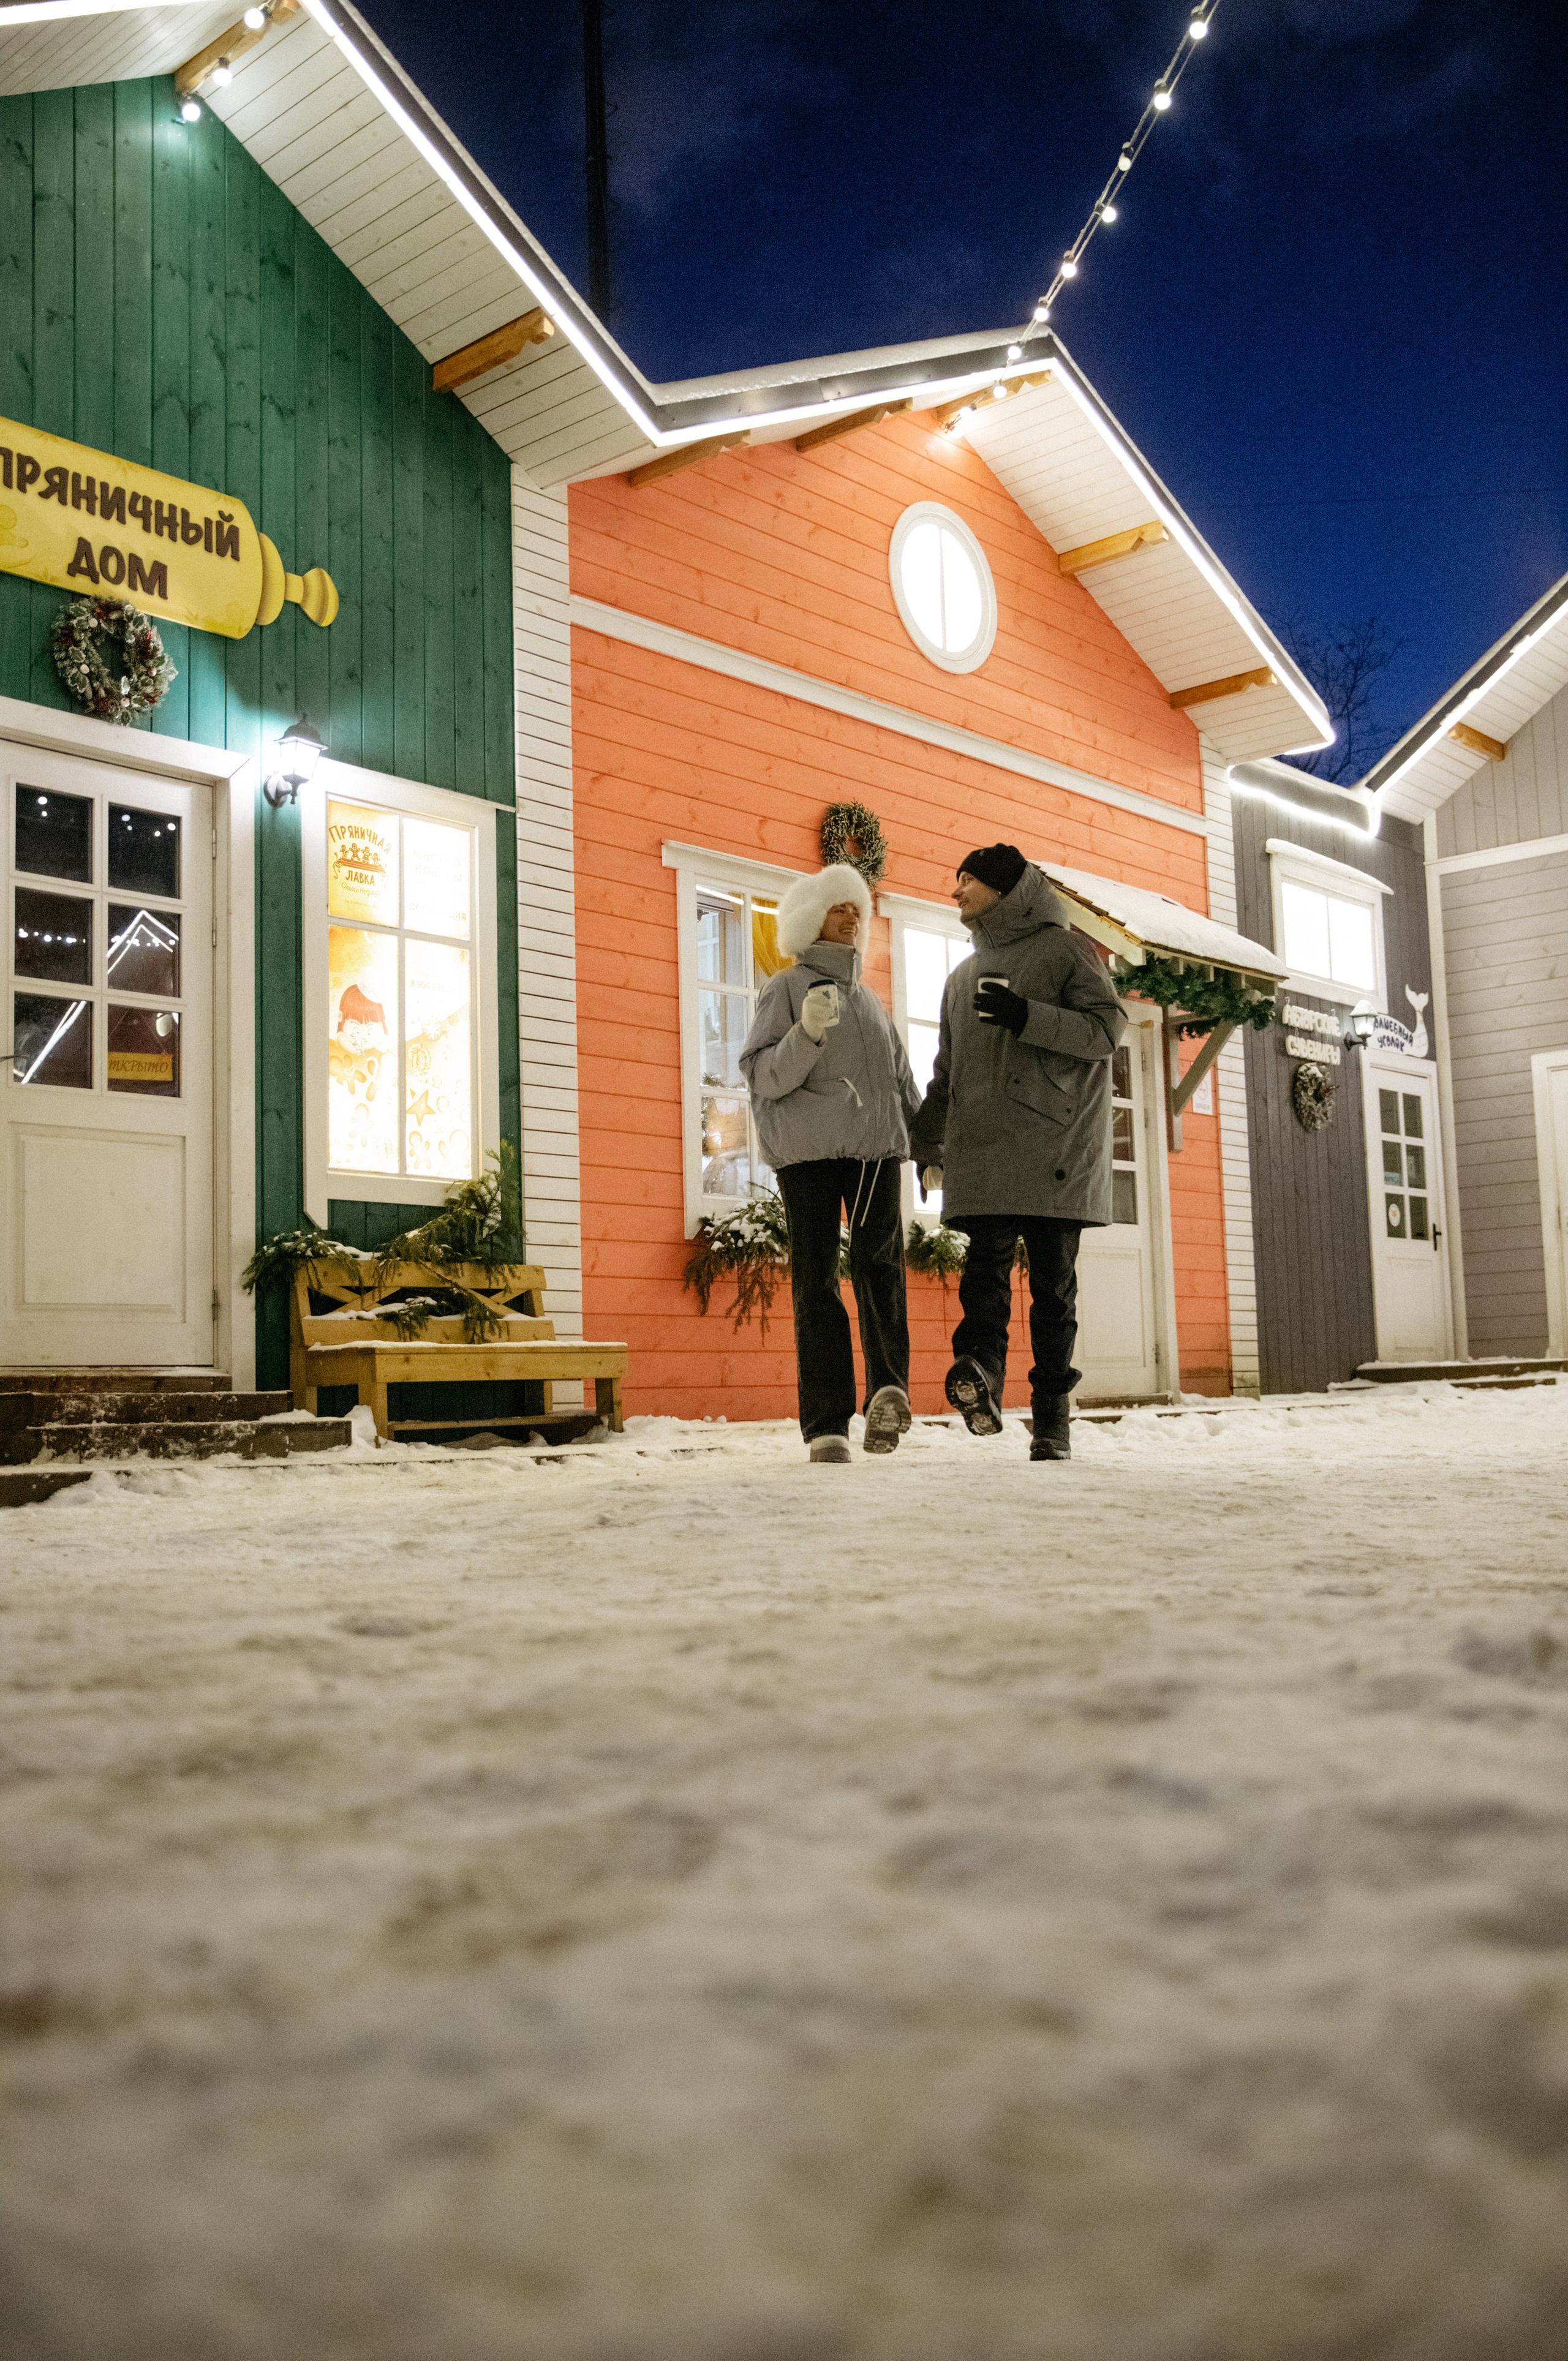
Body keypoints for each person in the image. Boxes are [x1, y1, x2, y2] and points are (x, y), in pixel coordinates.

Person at [910, 843, 1126, 1463]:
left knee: (1053, 1293)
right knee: (984, 1276)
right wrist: (925, 1140)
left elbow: (1105, 1030)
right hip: (984, 1148)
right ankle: (979, 1373)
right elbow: (946, 1071)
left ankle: (1052, 1421)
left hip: (1054, 1141)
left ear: (1004, 889)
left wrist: (1026, 1015)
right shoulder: (959, 978)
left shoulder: (1065, 949)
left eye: (967, 881)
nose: (955, 892)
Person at [741, 862, 924, 1466]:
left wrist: (929, 1148)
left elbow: (901, 1081)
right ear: (809, 919)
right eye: (838, 907)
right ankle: (826, 1424)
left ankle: (886, 1393)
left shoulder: (870, 1002)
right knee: (816, 1283)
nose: (850, 916)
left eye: (857, 910)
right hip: (808, 1155)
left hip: (875, 1152)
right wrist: (807, 1034)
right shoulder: (785, 988)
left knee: (881, 1270)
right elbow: (764, 1076)